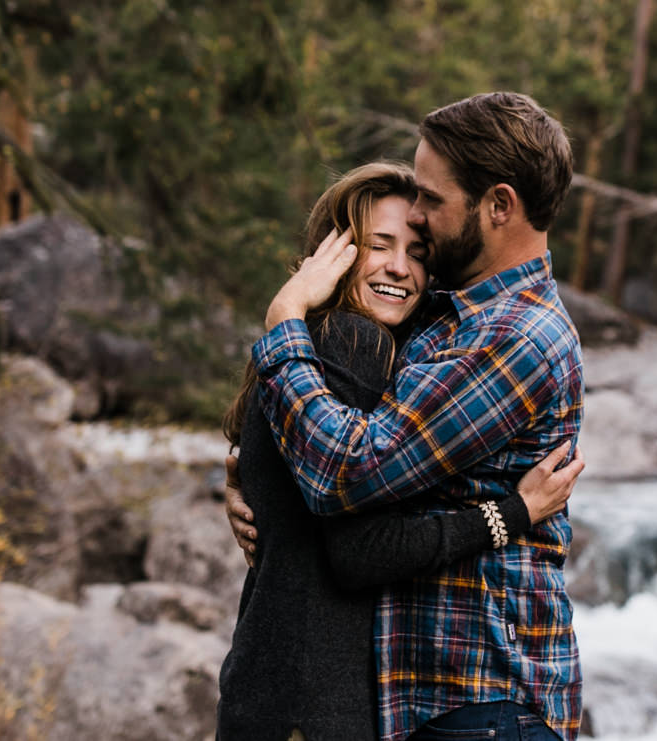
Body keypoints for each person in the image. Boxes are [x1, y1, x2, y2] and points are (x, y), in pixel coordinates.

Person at [245, 92, 586, 741]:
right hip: (443, 706)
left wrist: (284, 321)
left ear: (499, 205)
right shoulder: (447, 315)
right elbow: (316, 432)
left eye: (432, 198)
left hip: (483, 703)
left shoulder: (514, 335)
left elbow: (345, 470)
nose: (420, 219)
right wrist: (249, 479)